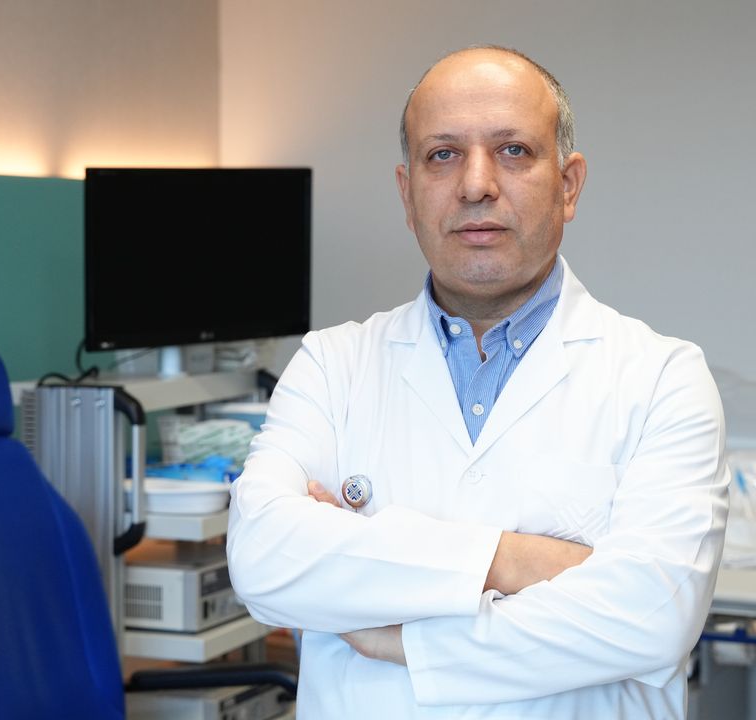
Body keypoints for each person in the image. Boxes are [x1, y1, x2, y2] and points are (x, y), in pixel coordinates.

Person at [227, 45, 729, 719]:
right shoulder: (331, 364)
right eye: (442, 155)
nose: (475, 184)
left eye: (513, 151)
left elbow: (653, 617)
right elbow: (263, 559)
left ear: (569, 185)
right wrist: (515, 561)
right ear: (407, 194)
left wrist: (399, 635)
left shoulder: (662, 377)